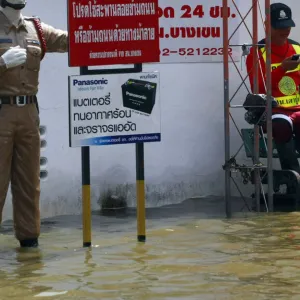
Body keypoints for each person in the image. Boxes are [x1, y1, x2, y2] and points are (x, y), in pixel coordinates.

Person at [0, 0, 68, 248]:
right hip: (2, 111)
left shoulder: (35, 29)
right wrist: (2, 63)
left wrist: (112, 26)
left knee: (30, 183)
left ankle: (29, 250)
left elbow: (72, 40)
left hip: (29, 112)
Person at [246, 2, 300, 173]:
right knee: (281, 126)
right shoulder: (257, 53)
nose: (285, 31)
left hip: (298, 110)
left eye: (287, 26)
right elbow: (258, 88)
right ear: (267, 25)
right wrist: (282, 69)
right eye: (279, 27)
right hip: (274, 112)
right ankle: (294, 178)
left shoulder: (297, 48)